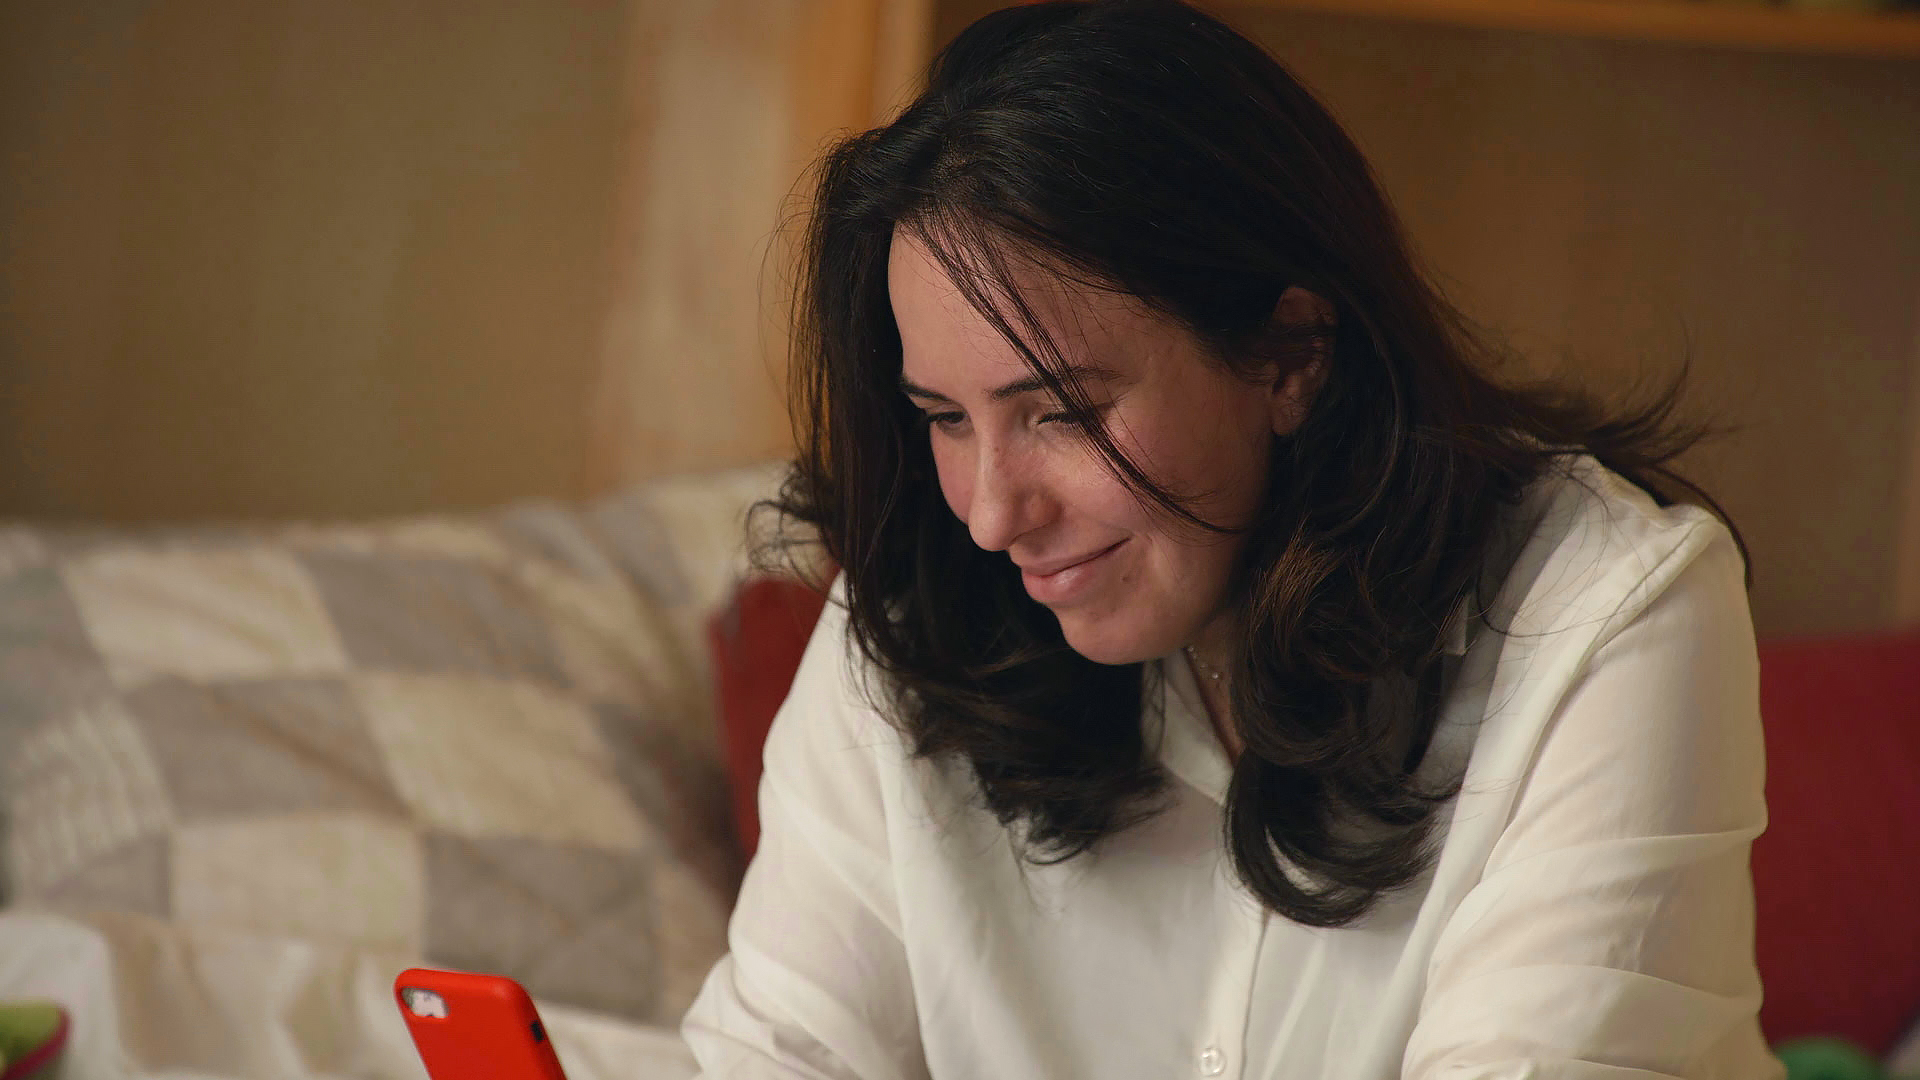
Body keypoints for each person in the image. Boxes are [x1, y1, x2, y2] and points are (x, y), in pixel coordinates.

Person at [682, 1, 1779, 1076]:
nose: (991, 515)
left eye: (1061, 411)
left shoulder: (1606, 611)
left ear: (1290, 355)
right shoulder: (917, 611)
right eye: (946, 419)